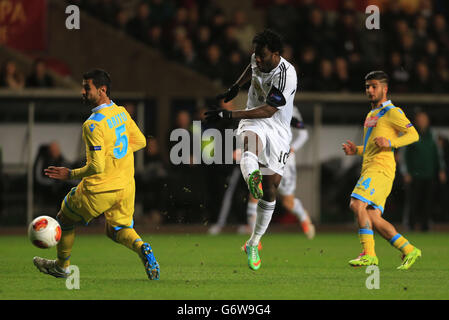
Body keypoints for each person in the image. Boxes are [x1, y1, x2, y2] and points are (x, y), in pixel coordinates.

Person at [32, 69, 160, 280]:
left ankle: (62, 267)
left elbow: (97, 167)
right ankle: (141, 247)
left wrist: (69, 173)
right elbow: (141, 142)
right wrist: (116, 158)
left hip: (99, 188)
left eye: (86, 87)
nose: (82, 91)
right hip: (126, 186)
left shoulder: (92, 125)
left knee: (65, 218)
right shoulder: (120, 112)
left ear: (102, 90)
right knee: (116, 229)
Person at [205, 29, 297, 271]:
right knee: (250, 142)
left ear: (275, 55)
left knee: (271, 188)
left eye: (262, 55)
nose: (257, 59)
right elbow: (251, 69)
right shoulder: (258, 58)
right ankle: (251, 176)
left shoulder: (287, 76)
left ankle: (253, 242)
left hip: (276, 125)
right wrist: (236, 87)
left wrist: (229, 114)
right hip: (253, 121)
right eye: (255, 54)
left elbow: (268, 110)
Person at [342, 71, 421, 270]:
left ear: (385, 89)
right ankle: (409, 249)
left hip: (380, 169)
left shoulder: (392, 112)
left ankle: (369, 254)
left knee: (356, 203)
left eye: (374, 86)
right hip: (371, 168)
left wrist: (391, 142)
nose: (369, 90)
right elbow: (372, 146)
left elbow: (413, 135)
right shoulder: (371, 114)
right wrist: (357, 150)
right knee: (373, 217)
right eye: (367, 86)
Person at [245, 107, 315, 239]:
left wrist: (292, 148)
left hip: (284, 161)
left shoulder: (289, 108)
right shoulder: (259, 104)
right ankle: (254, 240)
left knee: (288, 202)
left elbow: (303, 134)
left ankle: (303, 217)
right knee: (255, 191)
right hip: (265, 156)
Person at [401, 110, 446, 231]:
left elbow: (439, 154)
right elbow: (404, 155)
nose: (422, 121)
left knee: (428, 201)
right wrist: (405, 172)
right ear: (416, 121)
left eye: (424, 119)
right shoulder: (411, 134)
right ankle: (410, 225)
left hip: (429, 173)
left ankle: (425, 225)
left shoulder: (433, 135)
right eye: (420, 119)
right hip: (414, 174)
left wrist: (441, 170)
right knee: (413, 201)